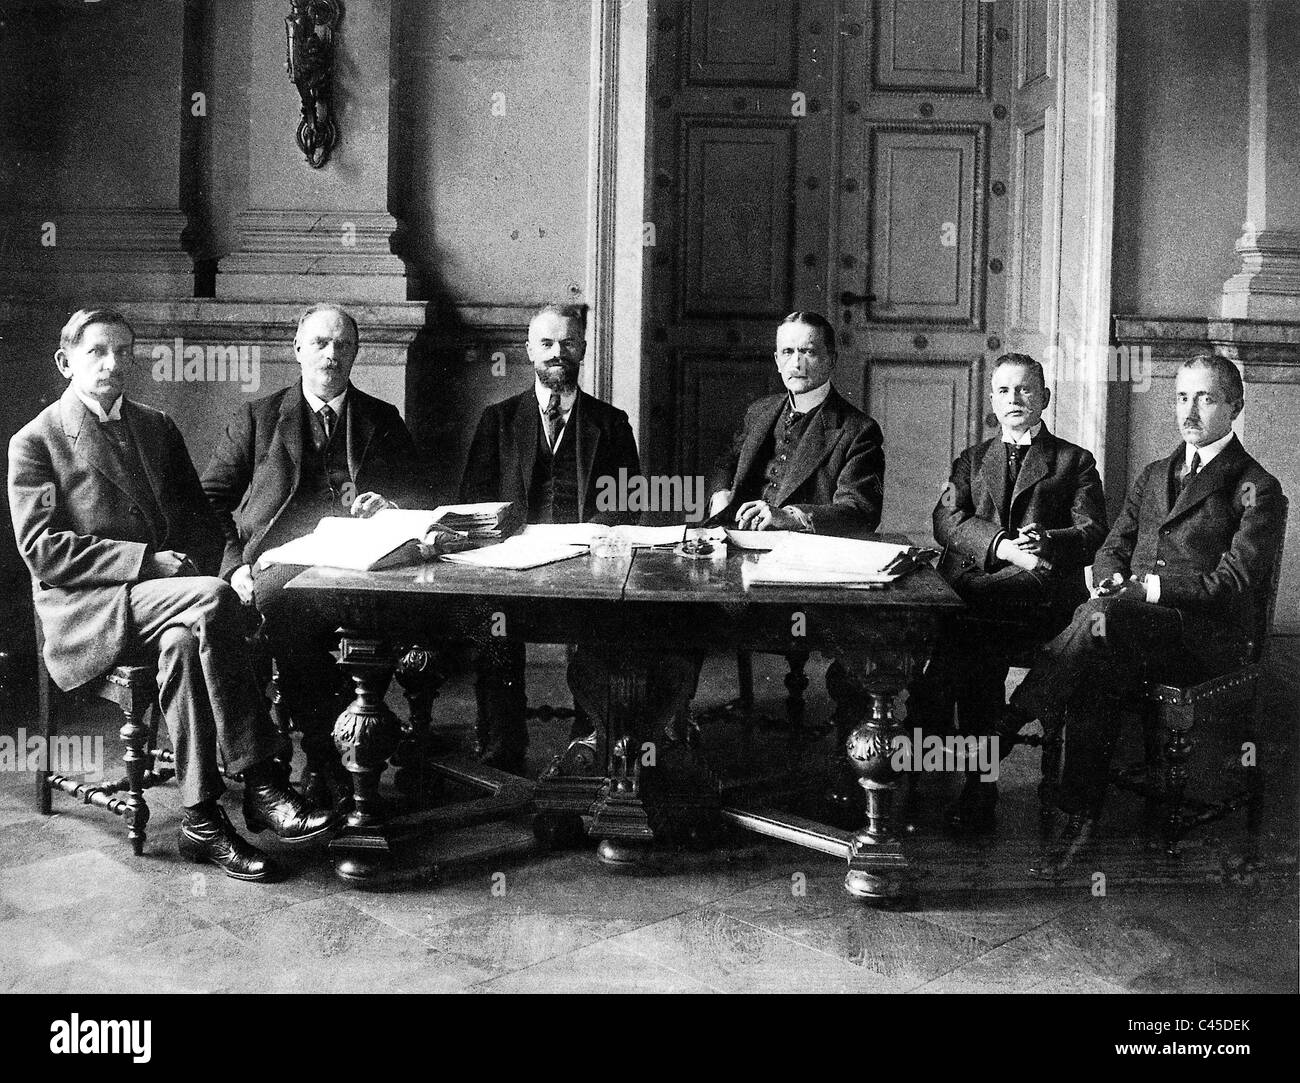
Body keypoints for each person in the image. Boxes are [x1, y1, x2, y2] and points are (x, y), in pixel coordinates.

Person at [8, 308, 337, 881]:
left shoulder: (155, 425)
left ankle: (202, 822)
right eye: (97, 353)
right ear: (66, 362)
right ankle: (261, 781)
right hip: (88, 607)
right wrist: (147, 562)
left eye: (123, 352)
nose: (113, 364)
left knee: (187, 642)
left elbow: (200, 517)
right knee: (211, 600)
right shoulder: (35, 441)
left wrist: (214, 567)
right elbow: (43, 550)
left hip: (166, 602)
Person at [1005, 353, 1286, 877]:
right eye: (1182, 397)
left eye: (1206, 398)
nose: (1191, 411)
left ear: (1236, 406)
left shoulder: (1256, 488)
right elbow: (1113, 545)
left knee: (1098, 623)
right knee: (1099, 659)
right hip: (1130, 626)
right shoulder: (1155, 473)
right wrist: (1113, 577)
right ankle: (1079, 818)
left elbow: (1234, 584)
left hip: (1205, 638)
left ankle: (1014, 718)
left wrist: (1147, 589)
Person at [202, 303, 433, 806]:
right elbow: (210, 499)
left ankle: (343, 751)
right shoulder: (259, 417)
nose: (331, 355)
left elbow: (421, 499)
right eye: (321, 344)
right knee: (286, 611)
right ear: (298, 349)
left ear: (355, 354)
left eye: (343, 345)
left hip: (360, 566)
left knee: (378, 621)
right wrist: (235, 565)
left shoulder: (381, 418)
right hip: (278, 563)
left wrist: (389, 505)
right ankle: (330, 755)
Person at [916, 354, 1107, 832]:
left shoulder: (1073, 461)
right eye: (1004, 391)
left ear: (1045, 398)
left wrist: (1049, 541)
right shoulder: (972, 460)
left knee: (957, 627)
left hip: (1039, 599)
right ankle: (980, 781)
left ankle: (940, 751)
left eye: (1025, 390)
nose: (1014, 399)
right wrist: (1002, 545)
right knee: (974, 642)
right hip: (983, 598)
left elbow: (1091, 530)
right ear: (992, 402)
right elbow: (946, 521)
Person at [459, 303, 641, 773]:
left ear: (582, 348)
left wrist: (600, 535)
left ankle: (589, 744)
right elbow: (473, 502)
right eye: (546, 344)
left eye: (568, 343)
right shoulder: (497, 420)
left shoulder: (612, 423)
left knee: (603, 632)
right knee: (492, 630)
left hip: (585, 563)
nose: (557, 352)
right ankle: (502, 749)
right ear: (529, 352)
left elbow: (629, 501)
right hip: (511, 564)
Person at [707, 311, 884, 536]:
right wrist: (719, 494)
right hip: (733, 538)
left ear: (831, 360)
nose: (796, 364)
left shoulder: (858, 430)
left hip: (800, 552)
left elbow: (860, 512)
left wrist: (792, 517)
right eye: (787, 352)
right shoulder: (759, 411)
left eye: (808, 352)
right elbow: (727, 463)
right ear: (777, 361)